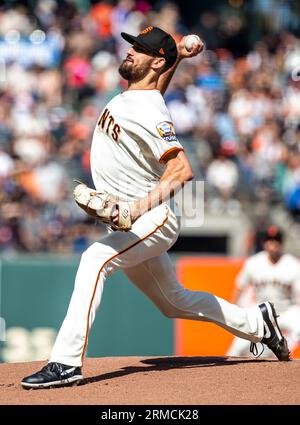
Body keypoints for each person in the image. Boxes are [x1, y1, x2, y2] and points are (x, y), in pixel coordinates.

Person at [21, 27, 290, 389]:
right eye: (132, 45)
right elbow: (155, 86)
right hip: (135, 220)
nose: (130, 52)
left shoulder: (150, 111)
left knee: (93, 261)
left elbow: (182, 170)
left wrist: (134, 209)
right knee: (172, 301)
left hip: (151, 218)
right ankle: (258, 323)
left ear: (156, 61)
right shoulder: (140, 95)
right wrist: (179, 51)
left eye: (140, 49)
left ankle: (66, 363)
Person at [227, 225, 300, 358]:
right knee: (237, 347)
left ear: (282, 242)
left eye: (276, 239)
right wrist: (232, 309)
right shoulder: (253, 263)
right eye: (269, 239)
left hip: (286, 312)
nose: (273, 243)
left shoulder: (292, 264)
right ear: (263, 242)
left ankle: (282, 354)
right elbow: (239, 286)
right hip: (261, 313)